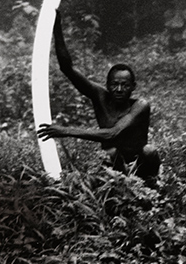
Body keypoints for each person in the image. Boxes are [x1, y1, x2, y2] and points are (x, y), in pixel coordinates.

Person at [37, 11, 160, 185]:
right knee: (110, 152)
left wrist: (64, 131)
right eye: (114, 84)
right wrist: (57, 28)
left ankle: (151, 186)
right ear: (108, 85)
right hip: (113, 161)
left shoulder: (141, 105)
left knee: (149, 151)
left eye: (124, 85)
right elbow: (67, 68)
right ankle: (119, 187)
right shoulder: (100, 95)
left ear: (133, 87)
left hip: (139, 164)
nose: (119, 89)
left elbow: (112, 133)